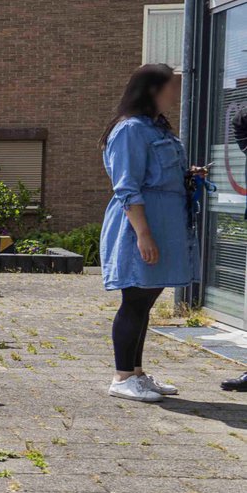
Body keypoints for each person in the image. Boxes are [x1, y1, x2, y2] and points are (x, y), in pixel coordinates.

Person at [100, 63, 202, 402]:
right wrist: (143, 234)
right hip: (140, 227)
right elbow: (126, 186)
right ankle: (121, 376)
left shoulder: (158, 129)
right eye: (173, 86)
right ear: (154, 90)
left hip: (163, 223)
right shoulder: (129, 130)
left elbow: (159, 174)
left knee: (145, 299)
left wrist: (188, 175)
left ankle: (137, 373)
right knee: (135, 299)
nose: (177, 92)